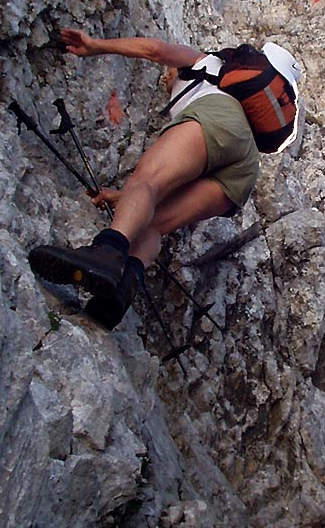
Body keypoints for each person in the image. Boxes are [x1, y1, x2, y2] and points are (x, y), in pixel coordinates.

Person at [27, 28, 301, 330]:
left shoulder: (207, 64)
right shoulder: (243, 110)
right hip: (245, 171)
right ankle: (118, 295)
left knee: (145, 180)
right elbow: (168, 188)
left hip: (220, 119)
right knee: (155, 222)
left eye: (168, 75)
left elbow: (155, 49)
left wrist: (95, 46)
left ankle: (106, 252)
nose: (166, 79)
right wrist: (123, 198)